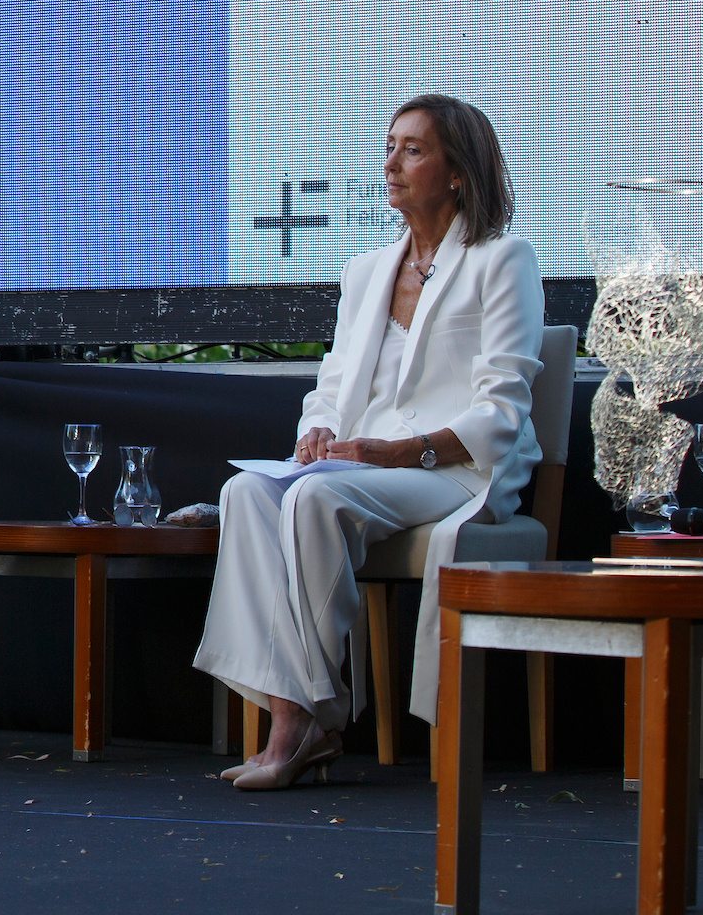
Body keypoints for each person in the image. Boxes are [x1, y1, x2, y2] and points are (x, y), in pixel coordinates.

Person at [194, 93, 541, 790]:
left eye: (412, 149)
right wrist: (317, 429)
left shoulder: (502, 261)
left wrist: (401, 451)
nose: (391, 165)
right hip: (362, 464)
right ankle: (298, 708)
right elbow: (331, 385)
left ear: (458, 172)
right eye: (389, 147)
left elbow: (503, 409)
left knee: (315, 499)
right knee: (246, 492)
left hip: (453, 468)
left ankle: (306, 719)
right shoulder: (364, 272)